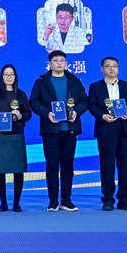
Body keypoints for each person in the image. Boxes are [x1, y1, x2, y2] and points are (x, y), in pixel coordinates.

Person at [29, 49, 87, 211]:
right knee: (52, 165)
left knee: (68, 165)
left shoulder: (74, 81)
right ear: (50, 63)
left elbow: (84, 101)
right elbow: (34, 102)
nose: (59, 63)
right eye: (55, 60)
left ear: (66, 63)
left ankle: (66, 200)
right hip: (51, 130)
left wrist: (76, 112)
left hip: (70, 129)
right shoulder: (41, 82)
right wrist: (47, 113)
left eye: (62, 60)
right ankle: (53, 201)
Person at [87, 56, 127, 211]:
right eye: (108, 66)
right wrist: (102, 116)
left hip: (124, 128)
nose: (112, 69)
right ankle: (108, 199)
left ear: (118, 68)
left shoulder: (126, 85)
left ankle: (124, 199)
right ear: (102, 69)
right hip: (106, 128)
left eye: (115, 66)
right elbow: (92, 106)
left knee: (125, 165)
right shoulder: (95, 86)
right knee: (107, 165)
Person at [0, 64, 31, 212]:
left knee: (18, 170)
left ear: (15, 76)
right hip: (0, 136)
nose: (9, 77)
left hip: (16, 135)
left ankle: (16, 203)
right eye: (6, 74)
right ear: (2, 77)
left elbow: (28, 114)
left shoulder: (21, 94)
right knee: (0, 170)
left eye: (11, 74)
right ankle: (3, 203)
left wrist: (20, 116)